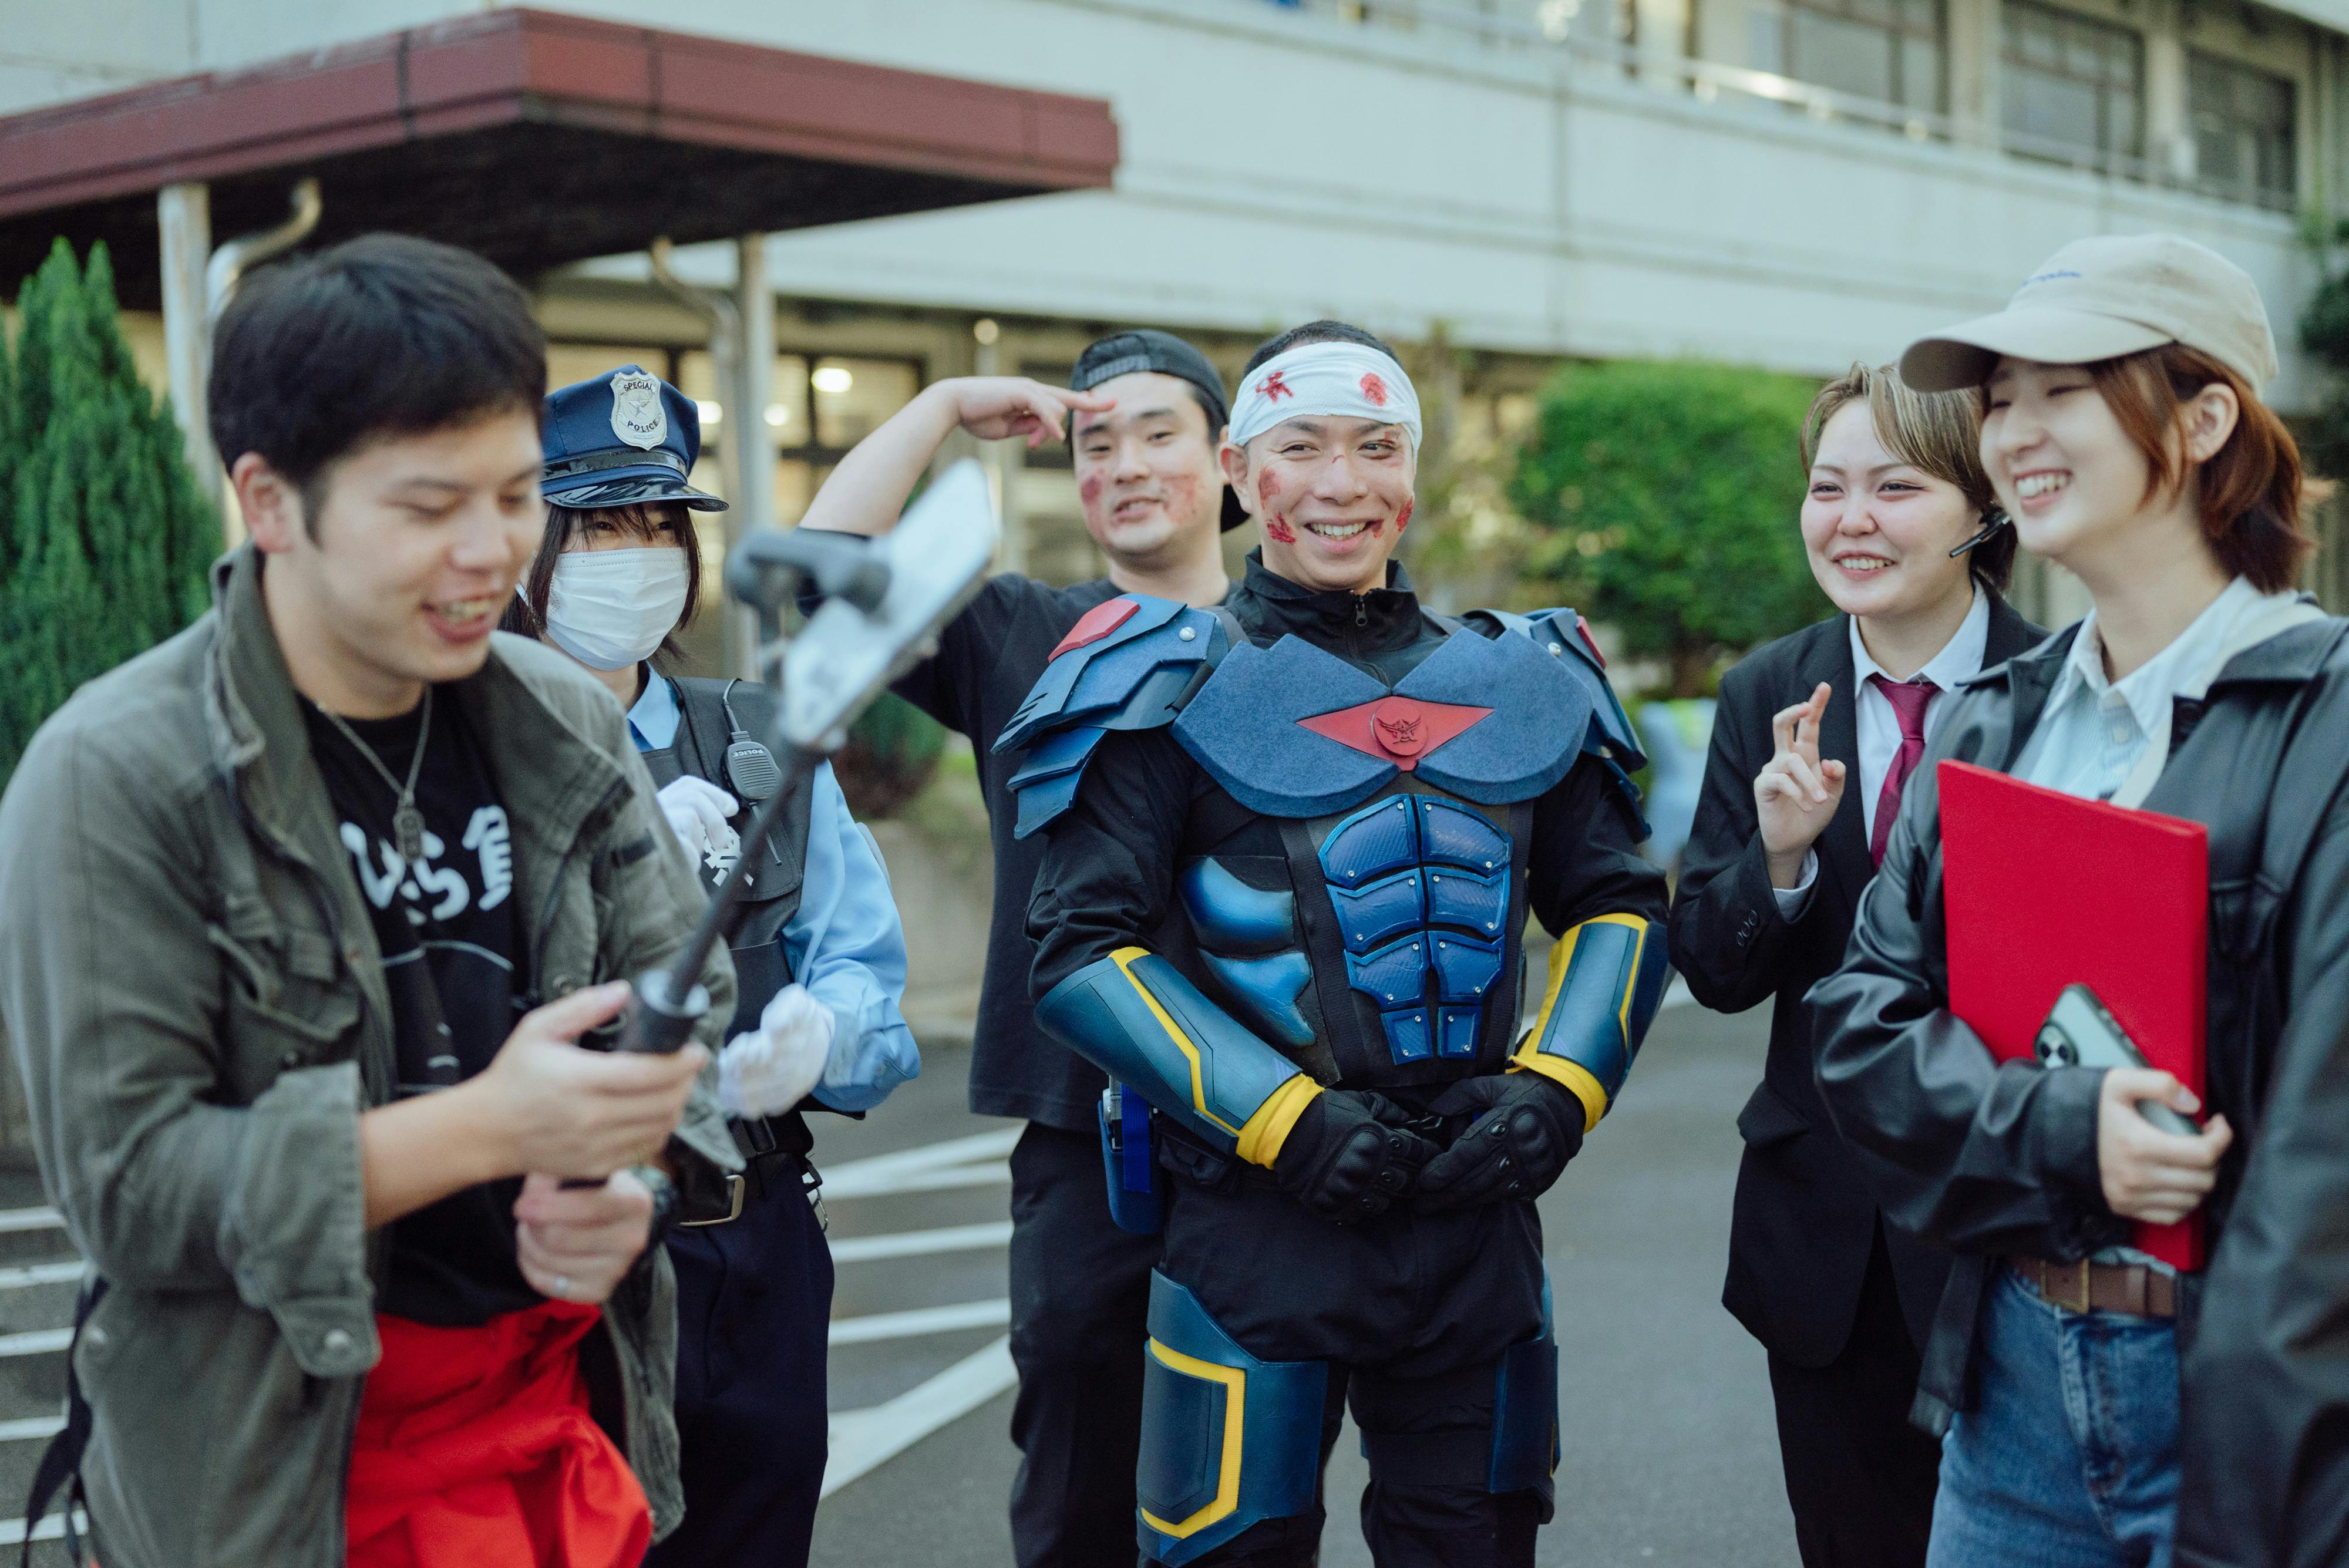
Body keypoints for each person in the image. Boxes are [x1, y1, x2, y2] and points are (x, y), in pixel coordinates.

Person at [0, 235, 785, 1568]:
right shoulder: (117, 772)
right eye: (428, 507)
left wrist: (636, 1182)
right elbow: (130, 1186)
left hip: (558, 1434)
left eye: (518, 495)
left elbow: (685, 1001)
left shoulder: (557, 718)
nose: (490, 552)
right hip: (271, 1481)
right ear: (269, 500)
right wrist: (482, 1129)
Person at [1015, 321, 1670, 1567]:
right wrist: (1289, 1125)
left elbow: (1620, 902)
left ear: (1412, 471)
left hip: (1474, 1212)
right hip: (1255, 1223)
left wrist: (1558, 1093)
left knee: (1477, 1545)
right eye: (1302, 446)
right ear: (1238, 470)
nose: (1340, 483)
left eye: (1376, 448)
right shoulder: (1157, 678)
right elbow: (1080, 948)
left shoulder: (1528, 673)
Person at [1808, 233, 2348, 1567]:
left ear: (2204, 419)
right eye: (1999, 398)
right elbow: (1862, 1026)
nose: (2012, 432)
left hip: (2241, 1405)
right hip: (2008, 1403)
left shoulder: (2326, 718)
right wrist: (2056, 1129)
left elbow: (2323, 1173)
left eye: (2064, 390)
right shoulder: (1993, 721)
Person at [793, 328, 1239, 1566]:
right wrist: (940, 402)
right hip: (1084, 1124)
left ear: (1230, 463)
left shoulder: (1291, 641)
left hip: (1273, 1127)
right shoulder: (1023, 635)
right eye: (1095, 444)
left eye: (1159, 433)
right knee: (1076, 1470)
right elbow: (825, 571)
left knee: (1256, 1479)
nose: (1125, 464)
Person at [503, 364, 920, 1567]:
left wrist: (821, 1038)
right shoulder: (473, 743)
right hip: (566, 1241)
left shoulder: (758, 739)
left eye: (657, 527)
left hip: (754, 1239)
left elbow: (863, 976)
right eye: (595, 530)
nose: (634, 558)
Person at [1668, 362, 2043, 1568]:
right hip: (1824, 1232)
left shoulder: (2063, 690)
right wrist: (1778, 858)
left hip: (2009, 1221)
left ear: (1983, 506)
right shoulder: (1767, 692)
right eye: (1827, 487)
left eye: (1895, 487)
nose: (1851, 519)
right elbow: (1711, 965)